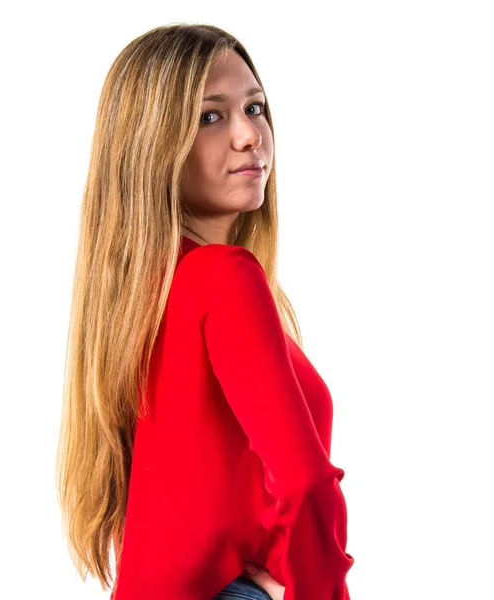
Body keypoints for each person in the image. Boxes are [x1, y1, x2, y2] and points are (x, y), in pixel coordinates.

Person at [56, 23, 354, 600]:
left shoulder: (137, 296)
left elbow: (199, 497)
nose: (250, 136)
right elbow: (305, 482)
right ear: (152, 144)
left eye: (255, 107)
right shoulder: (223, 279)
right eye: (209, 116)